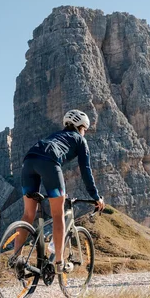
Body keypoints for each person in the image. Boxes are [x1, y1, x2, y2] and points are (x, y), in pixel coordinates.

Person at [14, 109, 105, 274]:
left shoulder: (56, 135)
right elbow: (86, 171)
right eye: (84, 129)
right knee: (57, 214)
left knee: (28, 215)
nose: (84, 133)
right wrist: (95, 196)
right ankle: (59, 263)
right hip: (49, 163)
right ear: (80, 127)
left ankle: (17, 259)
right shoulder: (79, 140)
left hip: (28, 161)